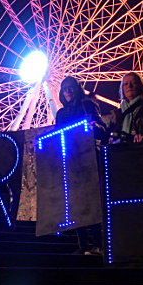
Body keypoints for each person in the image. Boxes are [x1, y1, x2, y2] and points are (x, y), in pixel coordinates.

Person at [55, 76, 106, 255]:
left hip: (88, 157)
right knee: (76, 204)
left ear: (77, 89)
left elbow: (103, 130)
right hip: (70, 160)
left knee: (91, 201)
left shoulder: (88, 106)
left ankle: (97, 243)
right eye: (64, 89)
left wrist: (95, 128)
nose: (67, 92)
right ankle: (83, 244)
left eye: (70, 88)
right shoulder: (61, 114)